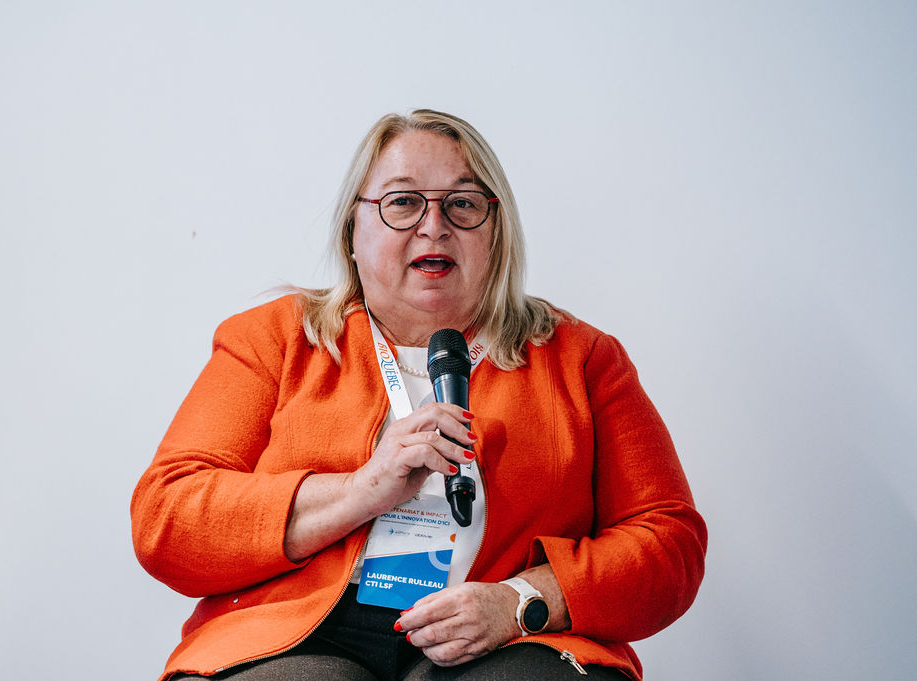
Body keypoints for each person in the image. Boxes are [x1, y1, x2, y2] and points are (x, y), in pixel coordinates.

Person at [131, 109, 707, 681]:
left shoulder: (582, 358)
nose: (434, 226)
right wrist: (360, 490)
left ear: (497, 233)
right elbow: (166, 518)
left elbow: (669, 544)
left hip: (505, 634)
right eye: (403, 202)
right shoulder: (273, 338)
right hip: (295, 634)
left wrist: (524, 600)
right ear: (352, 230)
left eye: (463, 203)